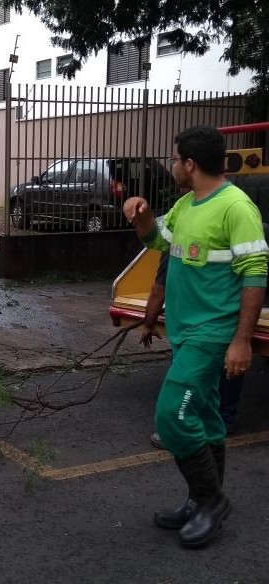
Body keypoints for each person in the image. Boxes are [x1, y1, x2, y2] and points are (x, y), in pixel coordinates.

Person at [123, 126, 268, 549]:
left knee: (172, 416)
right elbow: (155, 240)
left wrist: (242, 340)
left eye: (175, 159)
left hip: (212, 333)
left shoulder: (236, 208)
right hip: (185, 331)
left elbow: (256, 275)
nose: (172, 166)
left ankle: (211, 500)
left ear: (190, 163)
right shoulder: (188, 204)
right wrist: (142, 215)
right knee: (205, 419)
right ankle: (198, 500)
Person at [140, 251, 246, 448]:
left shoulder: (177, 242)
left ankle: (180, 433)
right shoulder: (238, 236)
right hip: (225, 321)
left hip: (193, 328)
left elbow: (159, 290)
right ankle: (222, 422)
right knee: (224, 373)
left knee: (184, 385)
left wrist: (148, 323)